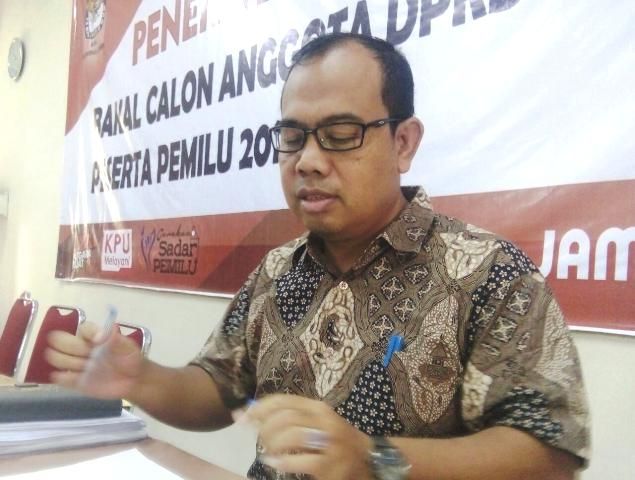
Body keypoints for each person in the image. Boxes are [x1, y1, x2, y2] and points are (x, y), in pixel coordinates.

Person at [46, 33, 590, 480]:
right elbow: (218, 390)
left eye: (340, 134)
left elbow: (550, 452)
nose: (307, 160)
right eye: (293, 136)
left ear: (403, 142)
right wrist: (142, 379)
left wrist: (374, 458)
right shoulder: (278, 271)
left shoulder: (489, 273)